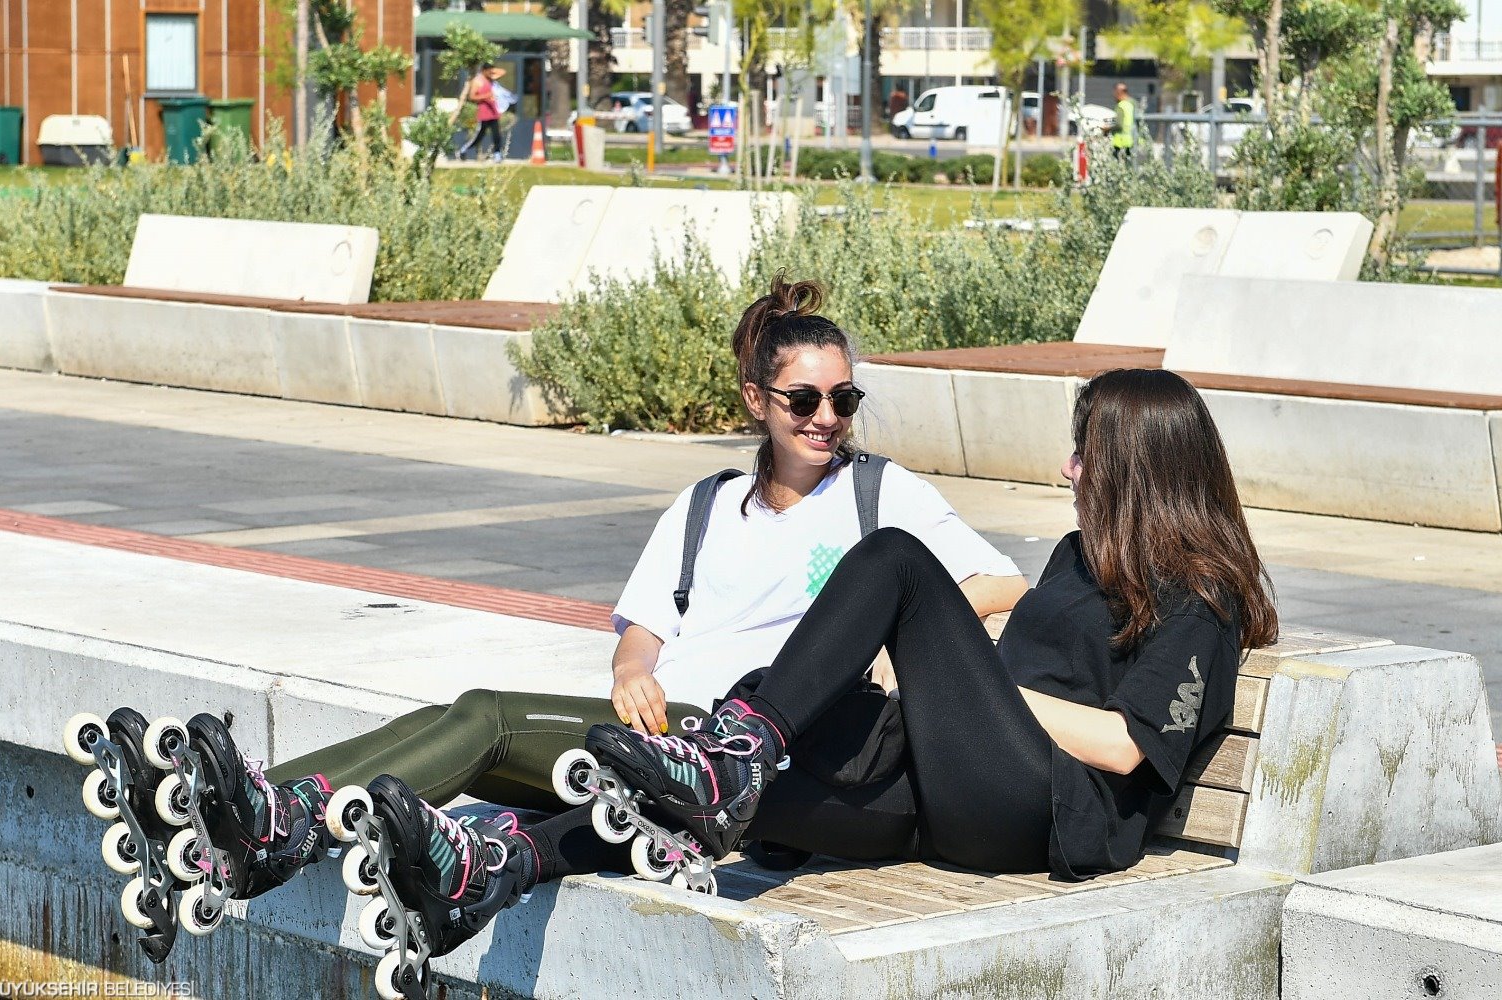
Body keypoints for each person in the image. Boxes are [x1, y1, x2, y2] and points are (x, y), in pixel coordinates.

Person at [99, 274, 1025, 950]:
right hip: (656, 729)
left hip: (732, 745)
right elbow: (644, 627)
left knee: (489, 720)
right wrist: (631, 670)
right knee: (457, 717)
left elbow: (999, 584)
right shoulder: (706, 505)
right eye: (806, 399)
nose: (828, 417)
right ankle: (251, 810)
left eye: (845, 398)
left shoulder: (878, 494)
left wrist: (876, 651)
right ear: (757, 399)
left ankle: (275, 819)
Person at [384, 367, 1278, 962]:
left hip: (1047, 810)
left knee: (894, 558)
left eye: (1084, 453)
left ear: (1133, 469)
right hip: (950, 795)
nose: (1068, 469)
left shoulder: (1201, 599)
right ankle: (494, 866)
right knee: (711, 798)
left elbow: (1124, 745)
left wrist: (969, 685)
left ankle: (740, 749)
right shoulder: (1081, 556)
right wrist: (934, 694)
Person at [458, 64, 507, 162]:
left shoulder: (490, 79)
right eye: (489, 71)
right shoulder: (477, 81)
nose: (491, 73)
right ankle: (464, 149)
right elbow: (472, 96)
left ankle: (497, 154)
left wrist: (492, 70)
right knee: (479, 135)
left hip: (493, 112)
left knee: (496, 134)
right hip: (484, 113)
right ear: (484, 70)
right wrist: (485, 96)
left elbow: (503, 72)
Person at [1108, 82, 1136, 161]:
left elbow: (1118, 124)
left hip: (1120, 143)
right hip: (1130, 141)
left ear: (1120, 92)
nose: (1114, 95)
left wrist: (1106, 129)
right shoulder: (1131, 104)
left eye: (1116, 93)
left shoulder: (1121, 105)